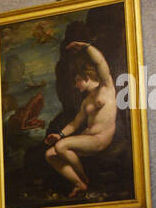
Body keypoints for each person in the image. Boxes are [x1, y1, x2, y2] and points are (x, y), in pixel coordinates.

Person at [44, 39, 117, 198]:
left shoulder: (106, 87)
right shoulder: (86, 101)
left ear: (86, 77)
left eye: (77, 80)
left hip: (100, 139)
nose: (76, 85)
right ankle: (79, 184)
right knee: (50, 154)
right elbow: (75, 123)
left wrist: (86, 47)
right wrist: (59, 135)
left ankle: (85, 178)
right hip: (87, 138)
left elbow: (100, 62)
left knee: (61, 147)